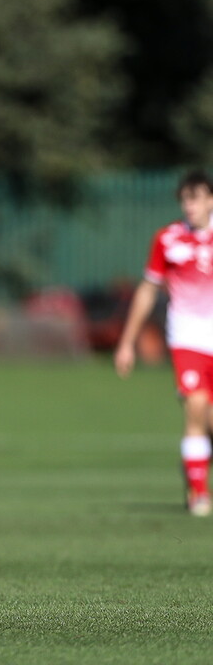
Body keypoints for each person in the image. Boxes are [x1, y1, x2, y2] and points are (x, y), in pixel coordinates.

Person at [115, 170, 213, 517]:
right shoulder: (168, 239)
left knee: (210, 421)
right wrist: (127, 342)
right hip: (187, 338)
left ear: (210, 200)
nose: (190, 206)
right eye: (185, 199)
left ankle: (194, 463)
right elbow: (148, 289)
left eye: (197, 198)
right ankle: (199, 493)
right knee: (196, 408)